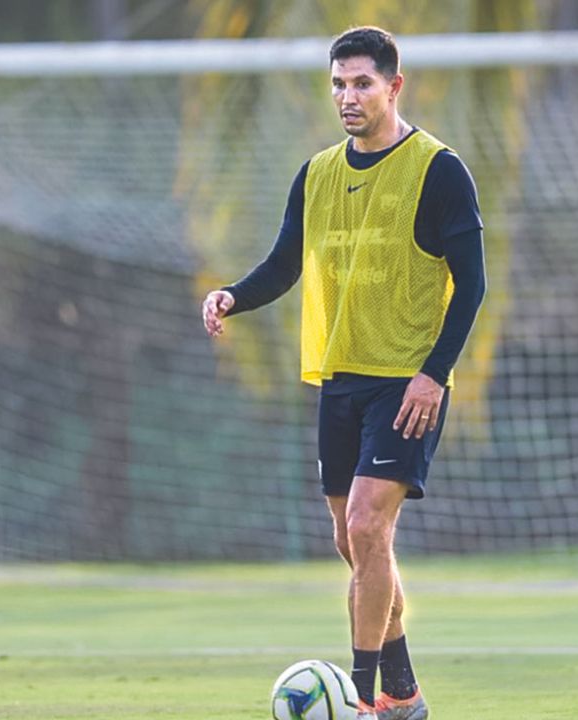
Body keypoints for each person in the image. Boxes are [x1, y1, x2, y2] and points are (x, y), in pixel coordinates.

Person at [201, 26, 485, 720]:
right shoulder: (319, 173)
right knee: (353, 543)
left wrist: (432, 375)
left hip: (407, 382)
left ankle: (360, 701)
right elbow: (284, 264)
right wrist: (233, 295)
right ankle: (406, 694)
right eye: (337, 84)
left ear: (394, 85)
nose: (347, 97)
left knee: (365, 525)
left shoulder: (437, 170)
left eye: (361, 83)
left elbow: (472, 284)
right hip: (340, 380)